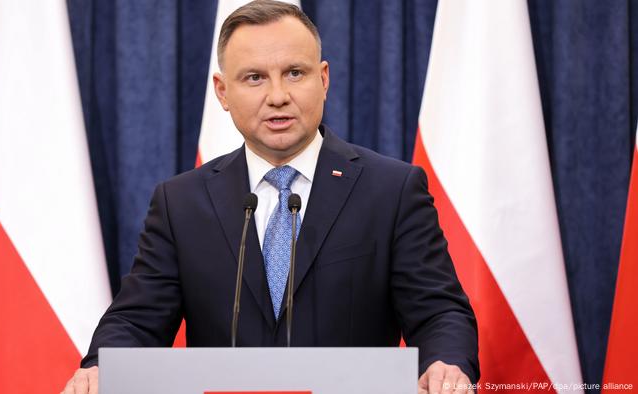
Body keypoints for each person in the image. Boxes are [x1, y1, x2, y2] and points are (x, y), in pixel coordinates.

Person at [62, 1, 478, 393]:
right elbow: (137, 321)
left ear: (324, 79)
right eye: (254, 77)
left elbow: (438, 312)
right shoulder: (181, 203)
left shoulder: (390, 190)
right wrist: (103, 367)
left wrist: (447, 363)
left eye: (294, 73)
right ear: (223, 92)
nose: (277, 95)